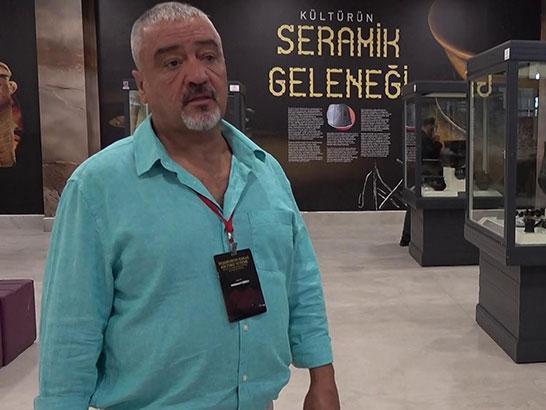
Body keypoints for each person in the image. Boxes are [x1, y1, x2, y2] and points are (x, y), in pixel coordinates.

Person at [35, 3, 339, 410]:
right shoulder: (96, 188)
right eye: (173, 63)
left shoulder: (265, 172)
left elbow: (301, 281)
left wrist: (323, 377)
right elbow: (70, 335)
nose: (198, 75)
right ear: (142, 86)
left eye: (209, 57)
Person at [399, 117, 444, 246]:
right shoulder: (424, 138)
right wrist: (438, 144)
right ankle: (407, 236)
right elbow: (430, 153)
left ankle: (407, 236)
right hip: (425, 173)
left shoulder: (421, 137)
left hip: (421, 174)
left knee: (411, 208)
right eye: (433, 127)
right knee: (412, 208)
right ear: (429, 125)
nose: (433, 130)